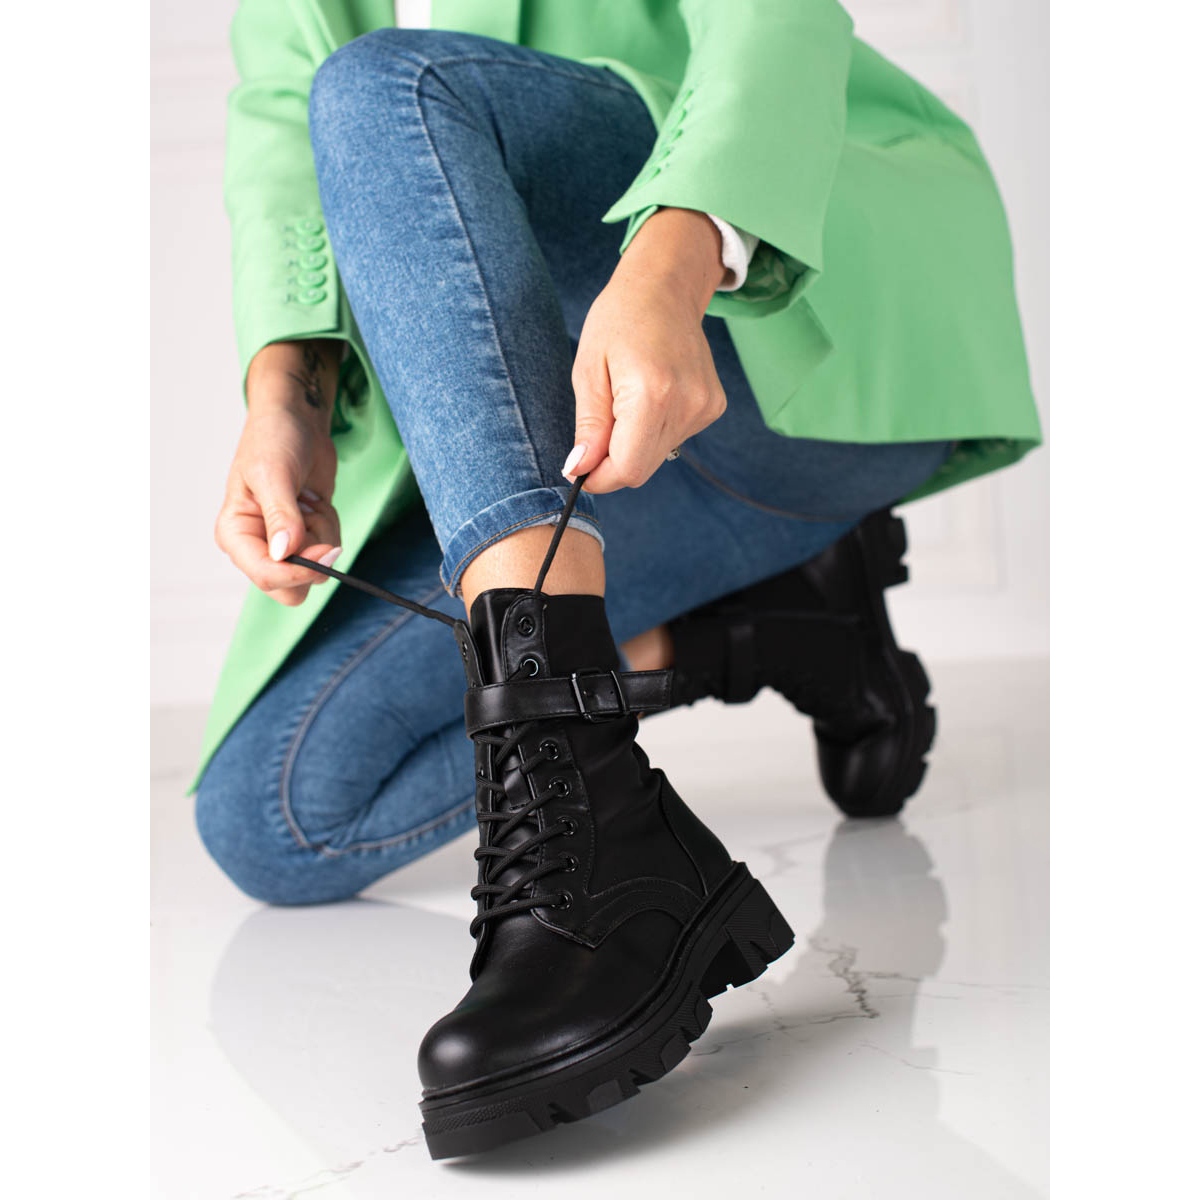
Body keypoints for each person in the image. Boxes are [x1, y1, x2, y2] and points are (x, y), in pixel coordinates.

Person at [192, 0, 1041, 1157]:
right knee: (278, 813)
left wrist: (679, 255)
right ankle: (775, 622)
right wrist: (284, 390)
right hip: (566, 435)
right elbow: (282, 90)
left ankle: (596, 816)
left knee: (390, 87)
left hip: (791, 307)